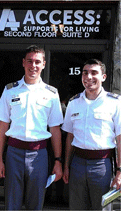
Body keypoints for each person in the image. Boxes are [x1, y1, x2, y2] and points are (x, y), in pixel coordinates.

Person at [0, 45, 63, 210]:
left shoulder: (52, 94)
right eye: (30, 61)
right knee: (11, 204)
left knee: (35, 204)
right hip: (13, 153)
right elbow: (3, 126)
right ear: (23, 63)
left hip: (39, 155)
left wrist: (58, 161)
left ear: (44, 64)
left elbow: (55, 130)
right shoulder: (10, 90)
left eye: (37, 62)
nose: (33, 65)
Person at [62, 59, 121, 210]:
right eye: (85, 73)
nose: (88, 77)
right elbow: (70, 136)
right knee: (77, 207)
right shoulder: (73, 103)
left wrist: (120, 171)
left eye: (94, 73)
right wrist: (67, 166)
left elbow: (120, 139)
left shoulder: (115, 103)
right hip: (77, 164)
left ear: (104, 77)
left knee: (102, 208)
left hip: (102, 165)